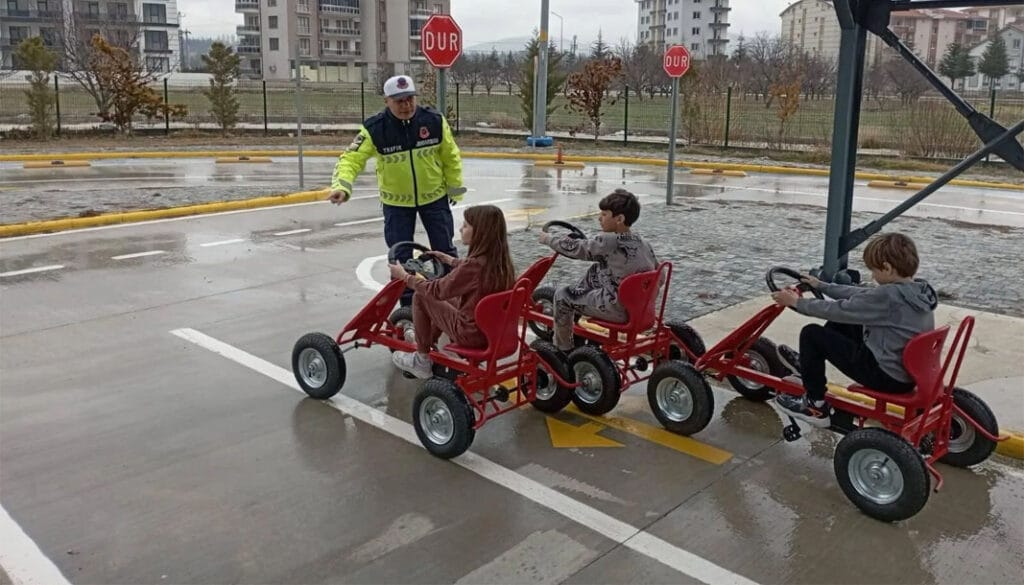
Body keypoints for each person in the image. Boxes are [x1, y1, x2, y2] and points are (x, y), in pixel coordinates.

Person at [770, 232, 938, 428]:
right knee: (846, 322)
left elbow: (837, 309)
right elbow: (863, 294)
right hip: (905, 370)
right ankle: (809, 367)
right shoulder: (917, 290)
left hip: (886, 376)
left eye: (874, 271)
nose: (873, 276)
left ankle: (815, 405)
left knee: (811, 334)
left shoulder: (888, 297)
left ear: (887, 268)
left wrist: (797, 303)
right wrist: (822, 286)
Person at [329, 74, 467, 307]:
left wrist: (454, 189)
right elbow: (351, 159)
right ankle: (408, 309)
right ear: (387, 101)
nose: (406, 105)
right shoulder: (375, 128)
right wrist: (342, 186)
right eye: (399, 101)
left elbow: (450, 157)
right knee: (400, 258)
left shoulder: (433, 121)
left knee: (445, 251)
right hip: (397, 205)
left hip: (435, 198)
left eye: (410, 99)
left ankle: (453, 301)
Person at [389, 205, 516, 379]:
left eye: (465, 226)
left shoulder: (473, 267)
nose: (460, 229)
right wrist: (449, 260)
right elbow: (472, 271)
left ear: (480, 233)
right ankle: (428, 341)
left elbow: (437, 290)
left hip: (470, 334)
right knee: (451, 299)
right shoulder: (501, 262)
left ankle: (421, 360)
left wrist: (405, 277)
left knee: (422, 295)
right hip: (494, 331)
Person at [537, 189, 658, 353]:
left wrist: (548, 239)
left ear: (619, 219)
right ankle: (577, 311)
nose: (599, 218)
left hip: (617, 309)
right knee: (596, 269)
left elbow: (577, 248)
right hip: (641, 309)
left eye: (604, 214)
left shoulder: (608, 240)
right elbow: (660, 275)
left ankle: (563, 349)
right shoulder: (643, 242)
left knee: (562, 296)